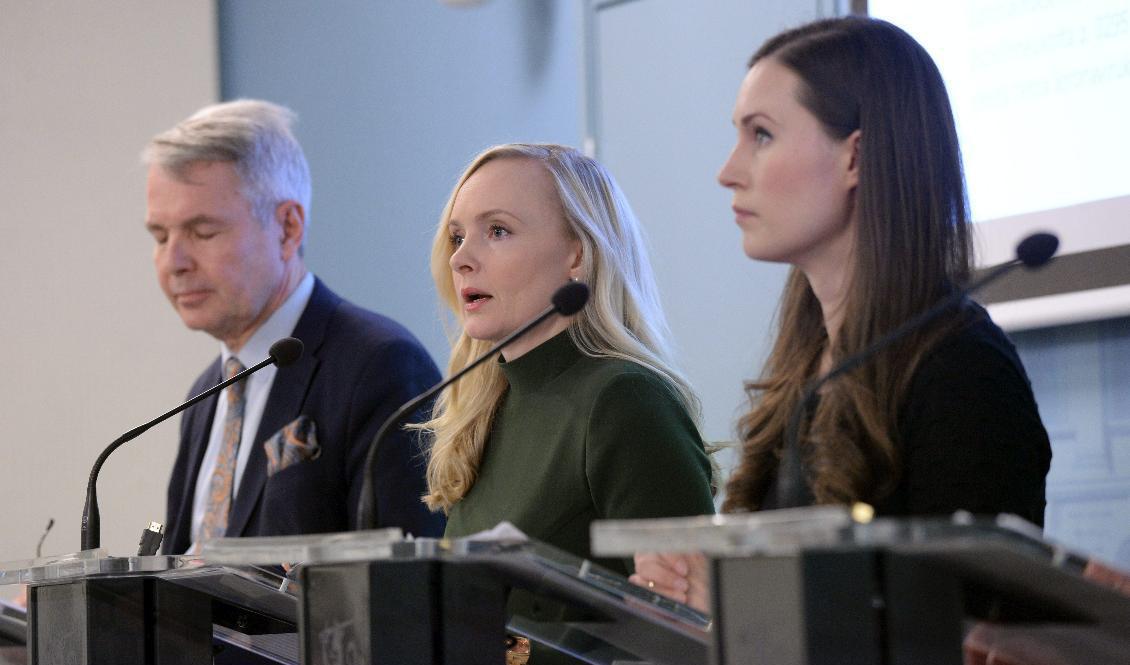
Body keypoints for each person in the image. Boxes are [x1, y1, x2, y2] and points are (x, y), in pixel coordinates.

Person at [633, 16, 1052, 610]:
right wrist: (688, 601)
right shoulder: (806, 368)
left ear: (857, 158)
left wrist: (740, 604)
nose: (727, 171)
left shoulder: (964, 372)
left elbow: (970, 628)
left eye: (762, 135)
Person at [421, 143, 716, 662]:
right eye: (457, 236)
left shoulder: (626, 401)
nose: (462, 258)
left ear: (577, 253)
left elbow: (682, 643)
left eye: (498, 231)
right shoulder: (482, 405)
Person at [143, 99, 445, 554]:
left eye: (202, 232)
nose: (174, 262)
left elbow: (408, 586)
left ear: (287, 228)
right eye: (160, 236)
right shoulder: (206, 393)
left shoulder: (379, 364)